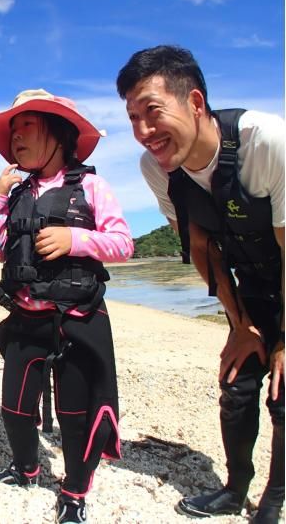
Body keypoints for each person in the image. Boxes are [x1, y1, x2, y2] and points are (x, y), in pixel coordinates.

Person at [116, 45, 284, 523]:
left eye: (152, 112)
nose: (143, 132)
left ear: (193, 102)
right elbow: (199, 247)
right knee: (237, 381)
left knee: (284, 393)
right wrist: (240, 325)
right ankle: (234, 488)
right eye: (132, 118)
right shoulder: (158, 170)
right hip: (250, 281)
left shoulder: (265, 142)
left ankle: (274, 499)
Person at [0, 89, 134, 524]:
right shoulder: (16, 193)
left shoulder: (90, 186)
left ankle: (73, 493)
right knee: (13, 408)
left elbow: (124, 243)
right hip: (26, 318)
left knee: (76, 415)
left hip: (77, 318)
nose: (16, 138)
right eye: (12, 131)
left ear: (60, 134)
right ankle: (26, 467)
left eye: (26, 126)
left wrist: (76, 239)